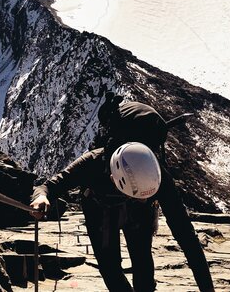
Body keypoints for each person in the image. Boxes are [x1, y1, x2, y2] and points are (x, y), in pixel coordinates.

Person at [30, 94, 215, 292]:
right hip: (105, 211)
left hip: (110, 211)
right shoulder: (94, 162)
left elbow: (186, 236)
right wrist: (41, 196)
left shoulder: (155, 174)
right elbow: (48, 187)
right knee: (113, 267)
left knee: (140, 263)